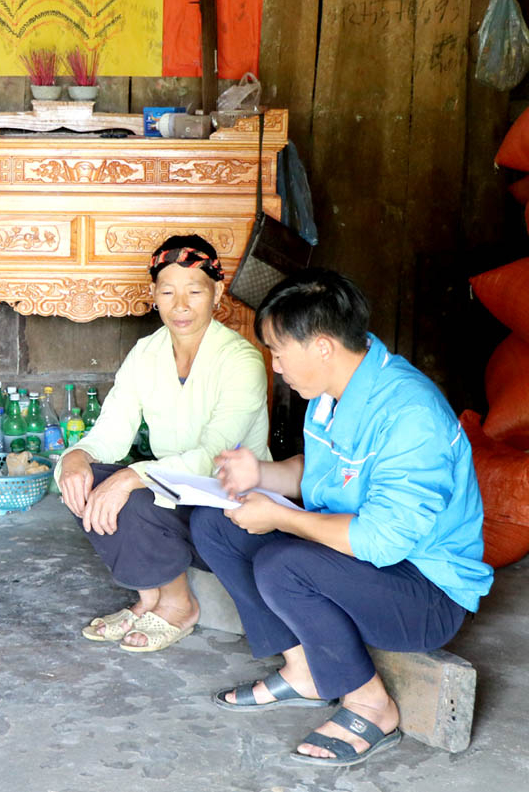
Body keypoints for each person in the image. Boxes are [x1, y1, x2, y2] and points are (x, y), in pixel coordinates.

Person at [191, 269, 493, 766]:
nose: (276, 365)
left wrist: (280, 520)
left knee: (281, 562)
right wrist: (259, 474)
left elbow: (379, 541)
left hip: (425, 592)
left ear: (323, 347)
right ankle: (304, 670)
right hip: (365, 561)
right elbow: (324, 477)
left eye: (279, 350)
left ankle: (371, 705)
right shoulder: (332, 393)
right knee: (214, 524)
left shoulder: (410, 415)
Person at [56, 235, 269, 652]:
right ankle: (150, 598)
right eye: (168, 292)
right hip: (178, 491)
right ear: (154, 295)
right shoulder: (146, 353)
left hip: (232, 506)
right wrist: (76, 458)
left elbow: (213, 457)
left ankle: (179, 605)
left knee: (129, 488)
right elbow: (110, 435)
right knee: (89, 480)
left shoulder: (240, 359)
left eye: (194, 291)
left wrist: (132, 478)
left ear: (217, 293)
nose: (181, 305)